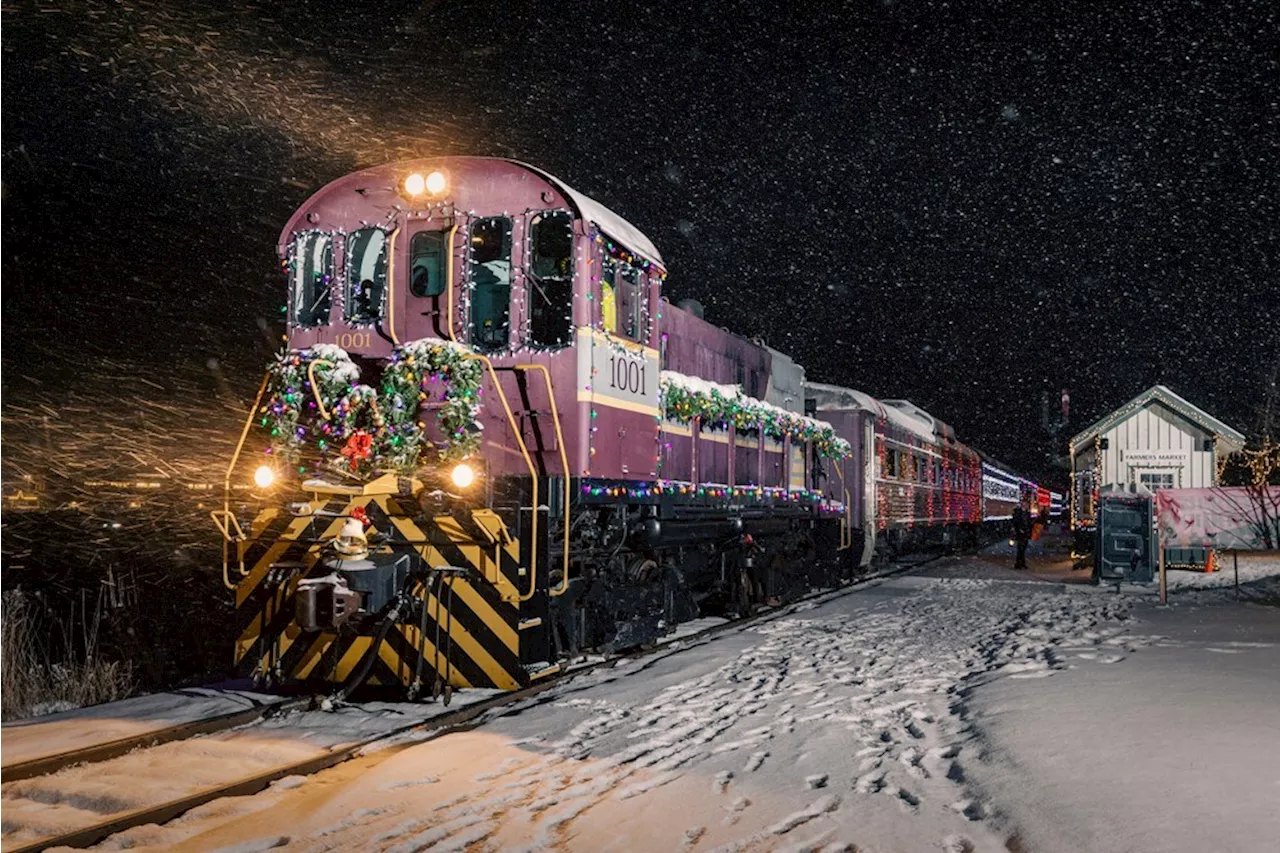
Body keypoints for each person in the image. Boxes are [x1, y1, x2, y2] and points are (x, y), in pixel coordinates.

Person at [1012, 498, 1034, 570]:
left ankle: (1021, 563)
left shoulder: (1027, 513)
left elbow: (1029, 523)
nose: (1026, 505)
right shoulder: (1018, 512)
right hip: (1020, 533)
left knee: (1023, 548)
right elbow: (1016, 522)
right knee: (1020, 548)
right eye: (1025, 504)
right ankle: (1019, 563)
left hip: (1025, 532)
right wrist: (1019, 529)